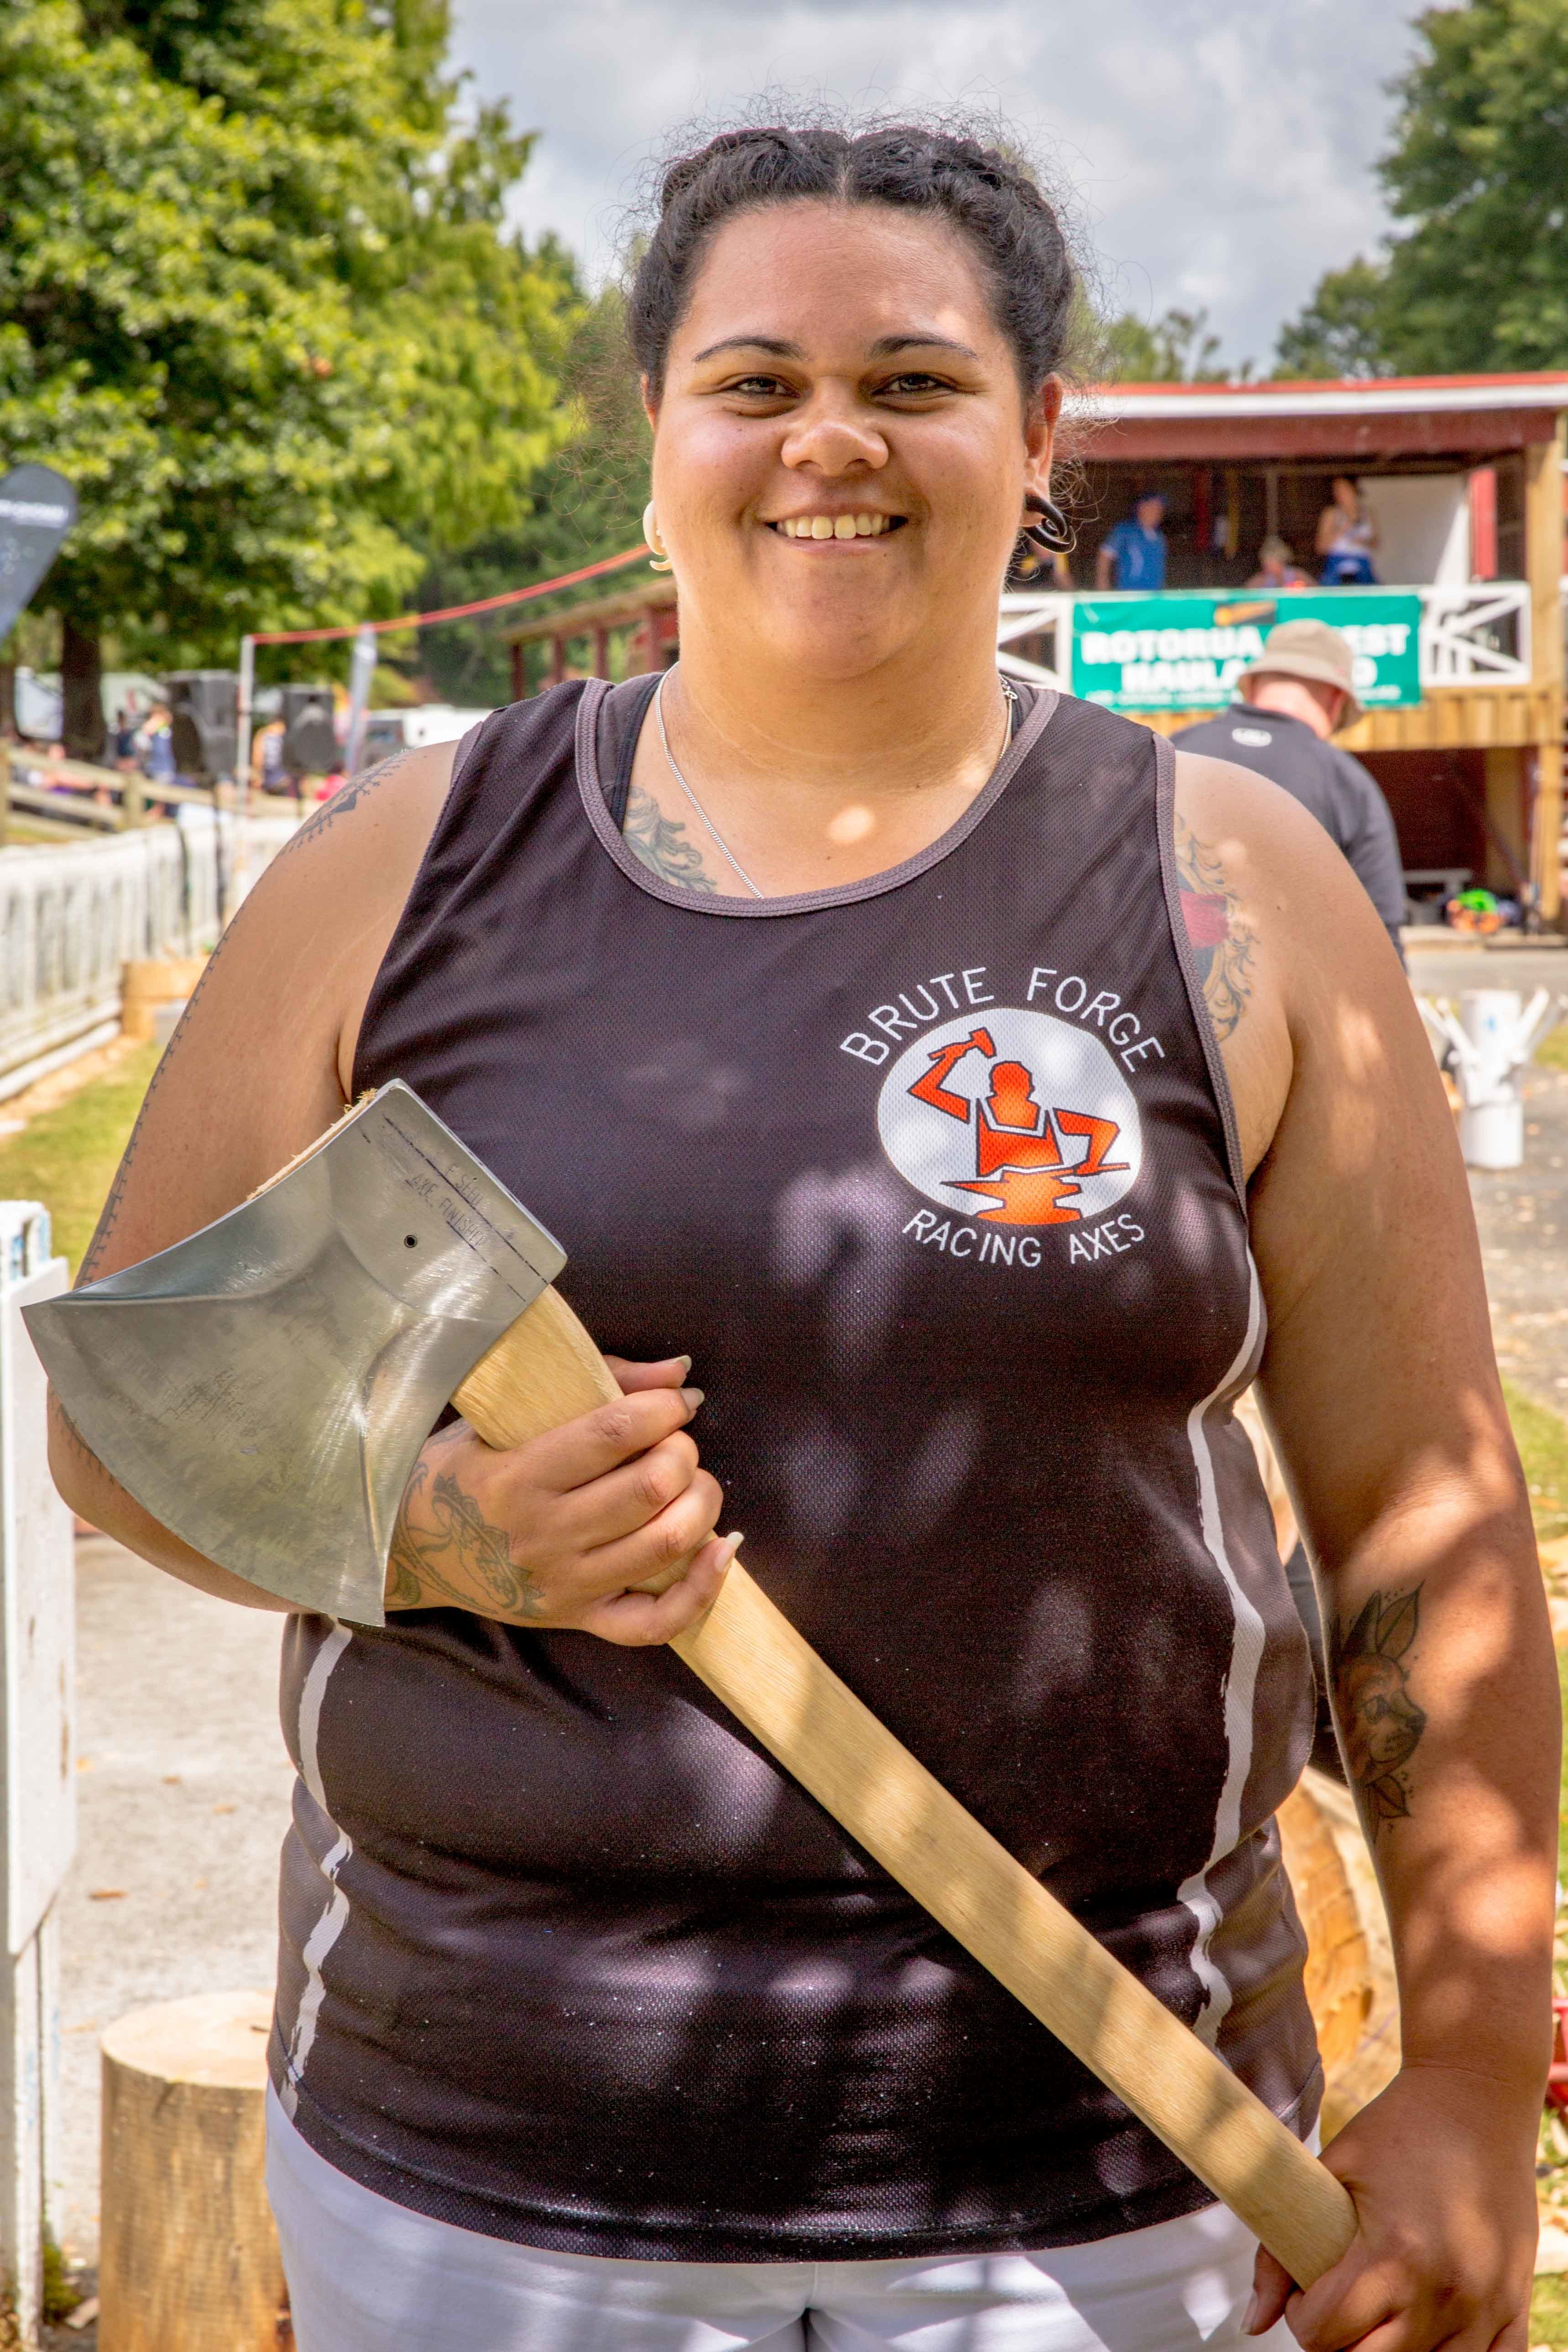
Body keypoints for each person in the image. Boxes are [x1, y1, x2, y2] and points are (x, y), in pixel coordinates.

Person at [49, 118, 1553, 2352]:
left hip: (1103, 2204)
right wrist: (444, 1526)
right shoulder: (401, 870)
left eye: (913, 380)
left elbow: (1421, 1527)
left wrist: (1460, 2078)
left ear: (1040, 435)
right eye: (751, 382)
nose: (824, 440)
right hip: (483, 2198)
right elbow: (134, 1426)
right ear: (654, 437)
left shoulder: (1237, 896)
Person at [1172, 618, 1407, 959]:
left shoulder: (1172, 751)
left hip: (1159, 994)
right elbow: (1380, 933)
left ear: (1252, 687)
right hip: (1286, 1001)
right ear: (1337, 699)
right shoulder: (1344, 781)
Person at [1095, 490, 1167, 590]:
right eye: (1153, 507)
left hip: (1155, 596)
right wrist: (1103, 588)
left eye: (1160, 509)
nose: (1158, 512)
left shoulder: (1160, 538)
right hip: (1130, 595)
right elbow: (1104, 558)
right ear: (1141, 507)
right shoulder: (1124, 531)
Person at [1315, 477, 1379, 585]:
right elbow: (1321, 547)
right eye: (1336, 491)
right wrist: (1343, 528)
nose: (1339, 494)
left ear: (1354, 490)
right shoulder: (1331, 514)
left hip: (1362, 562)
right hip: (1337, 561)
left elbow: (1377, 543)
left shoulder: (1368, 514)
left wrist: (1364, 542)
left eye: (1343, 490)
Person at [1246, 535, 1311, 591]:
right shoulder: (1261, 579)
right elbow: (1245, 594)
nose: (1267, 568)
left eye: (1271, 564)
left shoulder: (1298, 575)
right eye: (1265, 564)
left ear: (1282, 562)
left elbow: (1316, 592)